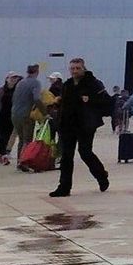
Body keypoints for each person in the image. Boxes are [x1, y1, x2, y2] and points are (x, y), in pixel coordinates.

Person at [49, 58, 112, 198]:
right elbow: (65, 103)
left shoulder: (94, 84)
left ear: (83, 68)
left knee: (85, 152)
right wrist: (58, 104)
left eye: (78, 68)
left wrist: (90, 100)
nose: (75, 71)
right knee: (66, 156)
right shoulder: (68, 84)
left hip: (86, 125)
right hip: (67, 125)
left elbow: (107, 102)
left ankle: (101, 176)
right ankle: (64, 187)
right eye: (72, 68)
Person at [10, 64, 44, 163]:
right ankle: (24, 162)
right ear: (37, 72)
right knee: (27, 140)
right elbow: (37, 98)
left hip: (15, 114)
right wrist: (44, 112)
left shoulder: (20, 83)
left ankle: (19, 161)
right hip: (26, 114)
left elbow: (14, 99)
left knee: (21, 139)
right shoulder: (35, 83)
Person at [0, 72, 21, 166]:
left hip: (12, 117)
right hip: (0, 117)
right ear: (6, 79)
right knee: (2, 136)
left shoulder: (18, 91)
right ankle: (3, 154)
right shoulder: (0, 91)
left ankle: (3, 153)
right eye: (12, 78)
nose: (13, 80)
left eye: (15, 78)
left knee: (9, 135)